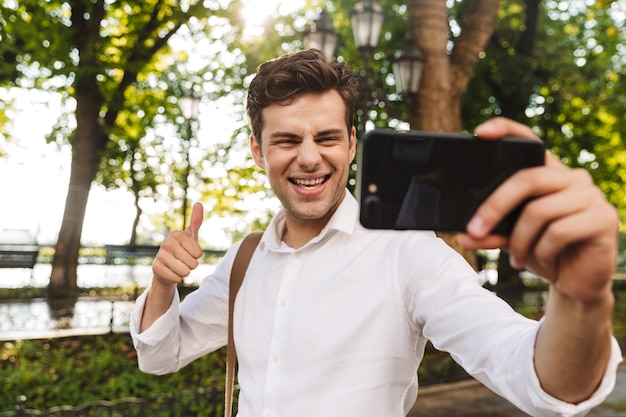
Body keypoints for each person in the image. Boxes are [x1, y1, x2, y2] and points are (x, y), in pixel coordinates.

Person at [130, 49, 622, 416]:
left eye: (325, 137)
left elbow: (545, 380)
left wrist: (581, 296)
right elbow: (160, 353)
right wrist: (163, 283)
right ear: (259, 152)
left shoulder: (406, 253)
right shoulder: (244, 259)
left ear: (349, 144)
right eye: (285, 140)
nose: (307, 156)